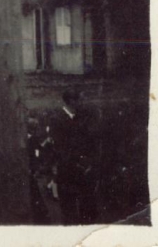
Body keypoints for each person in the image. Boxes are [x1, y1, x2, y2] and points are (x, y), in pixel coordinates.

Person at [51, 88, 98, 225]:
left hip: (83, 170)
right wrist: (77, 162)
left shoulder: (81, 118)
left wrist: (87, 162)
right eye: (80, 100)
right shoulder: (57, 119)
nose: (82, 103)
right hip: (67, 171)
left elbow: (88, 142)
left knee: (87, 208)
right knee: (69, 208)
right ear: (71, 101)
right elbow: (60, 148)